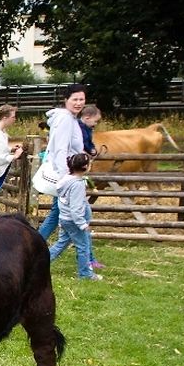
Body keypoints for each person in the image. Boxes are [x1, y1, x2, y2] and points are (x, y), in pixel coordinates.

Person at [31, 84, 86, 240]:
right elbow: (60, 149)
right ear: (66, 100)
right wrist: (65, 178)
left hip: (68, 172)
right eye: (74, 99)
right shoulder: (65, 119)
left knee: (57, 213)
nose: (78, 103)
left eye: (81, 99)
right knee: (61, 213)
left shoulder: (70, 118)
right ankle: (35, 244)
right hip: (65, 173)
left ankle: (35, 244)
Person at [49, 152, 102, 280]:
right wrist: (82, 224)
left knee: (61, 244)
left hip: (65, 219)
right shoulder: (77, 185)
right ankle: (85, 274)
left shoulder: (66, 180)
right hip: (74, 221)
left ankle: (39, 262)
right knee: (83, 246)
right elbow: (76, 208)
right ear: (85, 167)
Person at [77, 104, 104, 270]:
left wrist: (92, 150)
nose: (96, 124)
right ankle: (87, 265)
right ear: (87, 117)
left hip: (77, 175)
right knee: (83, 218)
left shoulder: (85, 128)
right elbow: (81, 145)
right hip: (76, 175)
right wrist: (89, 152)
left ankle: (89, 259)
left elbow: (87, 143)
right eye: (95, 121)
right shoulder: (79, 128)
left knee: (62, 234)